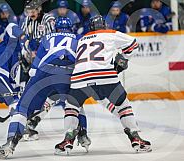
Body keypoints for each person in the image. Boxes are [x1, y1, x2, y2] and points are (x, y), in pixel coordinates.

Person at [55, 15, 152, 155]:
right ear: (104, 26)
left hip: (80, 78)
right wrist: (123, 59)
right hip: (105, 76)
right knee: (123, 105)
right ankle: (136, 138)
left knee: (72, 107)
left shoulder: (81, 39)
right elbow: (133, 44)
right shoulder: (110, 33)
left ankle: (67, 140)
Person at [0, 17, 80, 159]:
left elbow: (35, 66)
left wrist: (31, 83)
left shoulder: (47, 37)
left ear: (56, 29)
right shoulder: (78, 38)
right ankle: (77, 137)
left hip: (44, 73)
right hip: (67, 75)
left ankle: (10, 143)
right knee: (75, 106)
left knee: (21, 108)